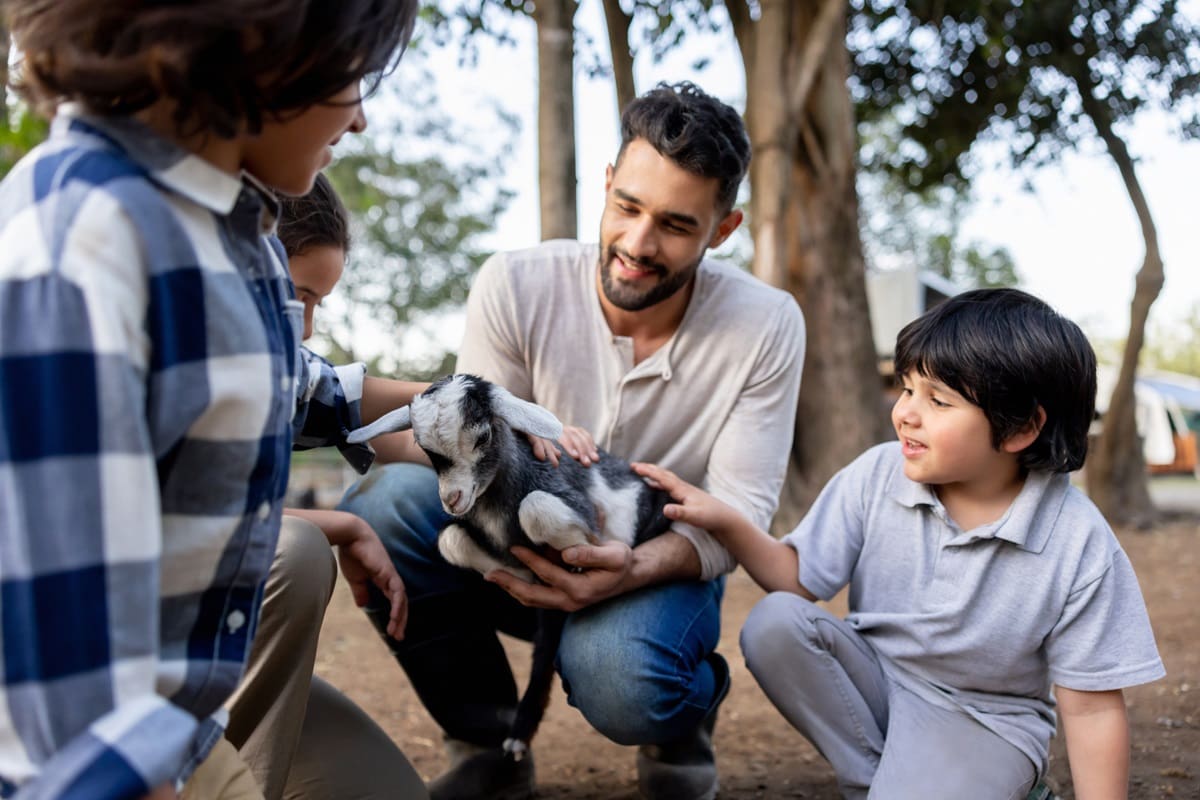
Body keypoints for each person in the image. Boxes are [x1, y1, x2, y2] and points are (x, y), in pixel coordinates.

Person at [339, 81, 806, 800]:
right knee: (386, 503)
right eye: (627, 207)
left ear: (724, 229)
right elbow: (468, 449)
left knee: (625, 683)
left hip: (652, 557)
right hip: (521, 534)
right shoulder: (516, 283)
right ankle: (490, 739)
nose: (636, 246)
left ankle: (682, 715)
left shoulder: (767, 324)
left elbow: (741, 511)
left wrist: (634, 566)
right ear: (609, 182)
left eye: (677, 226)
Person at [0, 1, 422, 797]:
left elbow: (307, 392)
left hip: (179, 723)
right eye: (353, 75)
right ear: (260, 43)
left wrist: (492, 417)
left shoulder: (238, 229)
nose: (361, 119)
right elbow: (63, 667)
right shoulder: (79, 243)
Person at [633, 288, 1166, 799]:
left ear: (1021, 427)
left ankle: (929, 784)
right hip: (878, 686)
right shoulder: (878, 474)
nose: (906, 412)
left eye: (938, 400)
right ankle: (885, 781)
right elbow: (794, 580)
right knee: (776, 622)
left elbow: (1093, 709)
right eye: (908, 388)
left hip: (985, 722)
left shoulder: (1077, 541)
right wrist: (727, 520)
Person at [219, 173, 428, 800]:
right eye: (297, 297)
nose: (306, 328)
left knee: (385, 792)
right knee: (291, 556)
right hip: (95, 666)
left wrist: (496, 410)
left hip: (200, 649)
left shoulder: (273, 363)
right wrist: (340, 523)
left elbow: (354, 406)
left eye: (317, 304)